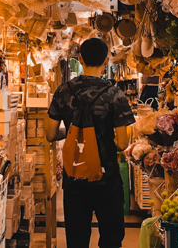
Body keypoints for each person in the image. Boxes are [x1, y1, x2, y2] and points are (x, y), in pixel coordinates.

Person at [46, 37, 136, 248]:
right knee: (111, 239)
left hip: (75, 176)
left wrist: (72, 133)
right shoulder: (115, 94)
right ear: (106, 61)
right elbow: (123, 143)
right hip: (107, 177)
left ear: (80, 59)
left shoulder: (63, 91)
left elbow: (50, 134)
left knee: (77, 240)